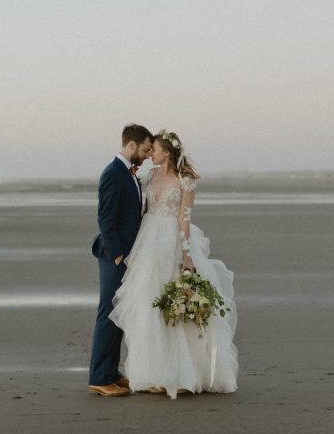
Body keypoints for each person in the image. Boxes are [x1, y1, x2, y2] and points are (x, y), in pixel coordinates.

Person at [110, 129, 238, 398]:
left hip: (171, 241)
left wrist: (187, 254)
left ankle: (182, 373)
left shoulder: (186, 180)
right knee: (149, 305)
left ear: (167, 151)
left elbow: (184, 219)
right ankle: (154, 373)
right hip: (147, 242)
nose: (150, 153)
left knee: (176, 307)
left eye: (154, 149)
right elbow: (144, 209)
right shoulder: (149, 175)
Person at [88, 123, 154, 397]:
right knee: (108, 313)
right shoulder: (113, 173)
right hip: (114, 254)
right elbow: (105, 217)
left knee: (120, 312)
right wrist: (117, 255)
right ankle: (99, 378)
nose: (149, 154)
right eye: (146, 149)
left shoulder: (129, 173)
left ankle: (111, 372)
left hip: (126, 254)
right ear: (132, 145)